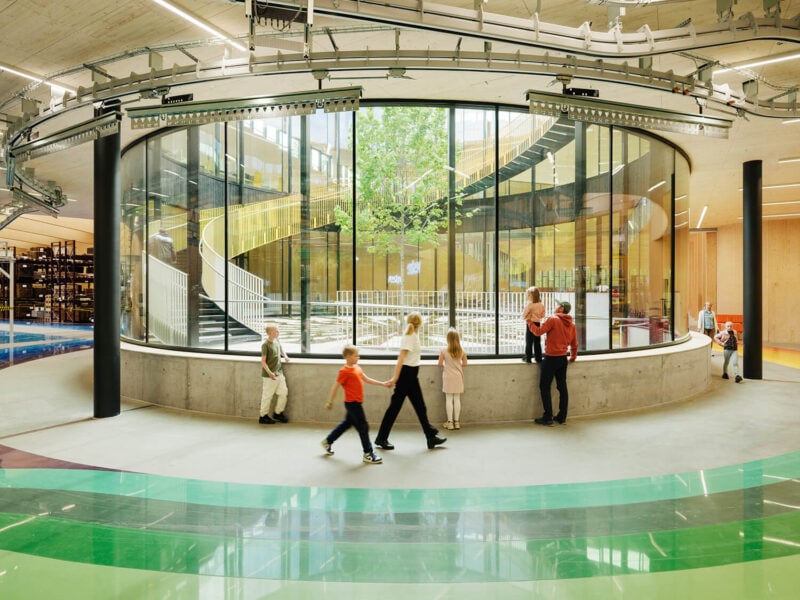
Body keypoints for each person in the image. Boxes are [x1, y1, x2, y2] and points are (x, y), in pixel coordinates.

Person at [375, 312, 447, 450]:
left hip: (411, 375)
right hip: (406, 375)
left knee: (420, 407)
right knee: (395, 408)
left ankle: (430, 437)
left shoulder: (413, 335)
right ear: (420, 323)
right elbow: (401, 358)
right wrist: (395, 378)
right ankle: (381, 438)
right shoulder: (410, 336)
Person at [321, 344, 390, 464]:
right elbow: (335, 387)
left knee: (346, 424)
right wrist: (330, 402)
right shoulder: (344, 371)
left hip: (357, 402)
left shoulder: (357, 367)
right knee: (363, 427)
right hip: (352, 404)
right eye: (355, 355)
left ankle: (328, 441)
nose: (358, 357)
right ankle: (368, 453)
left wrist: (382, 383)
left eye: (358, 355)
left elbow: (366, 379)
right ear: (348, 356)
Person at [528, 300, 578, 426]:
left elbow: (538, 332)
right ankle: (562, 416)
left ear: (561, 309)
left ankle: (548, 417)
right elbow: (574, 343)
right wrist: (572, 356)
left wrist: (529, 322)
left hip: (551, 358)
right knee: (562, 387)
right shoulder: (571, 324)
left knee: (544, 386)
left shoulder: (553, 320)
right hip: (562, 359)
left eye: (558, 305)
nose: (556, 307)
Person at [258, 323, 290, 424]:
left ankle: (278, 413)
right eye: (276, 331)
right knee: (267, 396)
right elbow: (263, 361)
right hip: (269, 376)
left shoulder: (276, 341)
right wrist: (270, 373)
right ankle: (263, 416)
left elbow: (280, 348)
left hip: (279, 374)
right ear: (270, 333)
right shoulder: (265, 345)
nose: (278, 332)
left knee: (283, 393)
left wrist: (285, 356)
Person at [438, 328, 468, 430]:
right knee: (457, 399)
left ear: (447, 339)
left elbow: (439, 364)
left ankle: (450, 423)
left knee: (449, 399)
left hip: (448, 377)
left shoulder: (443, 351)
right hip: (458, 377)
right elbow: (465, 364)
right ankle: (457, 422)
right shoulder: (462, 351)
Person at [521, 286, 545, 363]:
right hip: (537, 324)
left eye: (528, 295)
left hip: (530, 324)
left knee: (529, 341)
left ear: (533, 296)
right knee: (537, 341)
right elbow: (542, 315)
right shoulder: (541, 305)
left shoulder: (529, 305)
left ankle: (528, 357)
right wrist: (537, 317)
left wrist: (527, 317)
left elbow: (524, 315)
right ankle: (538, 357)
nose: (527, 296)